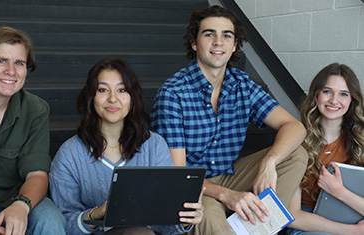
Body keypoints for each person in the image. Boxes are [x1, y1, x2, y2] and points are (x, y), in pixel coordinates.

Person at [150, 5, 309, 235]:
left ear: (234, 45)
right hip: (194, 186)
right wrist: (227, 195)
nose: (218, 41)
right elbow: (178, 173)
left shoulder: (241, 84)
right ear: (194, 43)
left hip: (231, 174)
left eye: (227, 35)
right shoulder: (173, 94)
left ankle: (257, 228)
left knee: (295, 154)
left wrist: (270, 162)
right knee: (207, 218)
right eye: (209, 34)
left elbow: (295, 127)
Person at [49, 57, 205, 235]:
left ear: (132, 98)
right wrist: (97, 213)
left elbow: (165, 225)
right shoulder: (70, 153)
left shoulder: (154, 145)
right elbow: (61, 225)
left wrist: (185, 218)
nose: (113, 99)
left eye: (122, 90)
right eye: (103, 90)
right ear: (91, 97)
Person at [0, 26, 67, 235]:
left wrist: (22, 205)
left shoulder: (36, 109)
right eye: (1, 61)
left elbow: (36, 174)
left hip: (14, 199)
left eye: (19, 63)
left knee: (51, 222)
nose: (11, 71)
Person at [286, 63, 364, 235]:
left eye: (343, 94)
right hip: (310, 223)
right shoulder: (296, 139)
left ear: (352, 100)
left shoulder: (360, 141)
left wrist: (339, 191)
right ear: (316, 95)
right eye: (327, 91)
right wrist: (353, 231)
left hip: (352, 216)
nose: (334, 100)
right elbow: (293, 215)